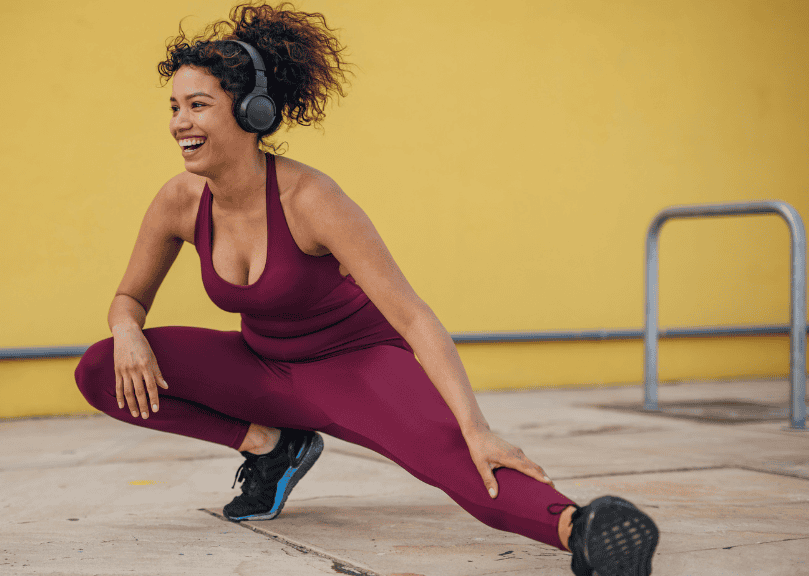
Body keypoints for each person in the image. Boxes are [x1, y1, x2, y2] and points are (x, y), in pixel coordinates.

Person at [75, 2, 659, 574]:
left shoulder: (312, 200)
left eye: (198, 106)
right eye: (174, 105)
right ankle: (269, 446)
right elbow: (129, 299)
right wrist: (126, 329)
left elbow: (412, 317)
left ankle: (584, 530)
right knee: (102, 369)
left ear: (250, 113)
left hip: (358, 368)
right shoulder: (179, 200)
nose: (179, 122)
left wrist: (476, 427)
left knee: (458, 461)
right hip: (262, 369)